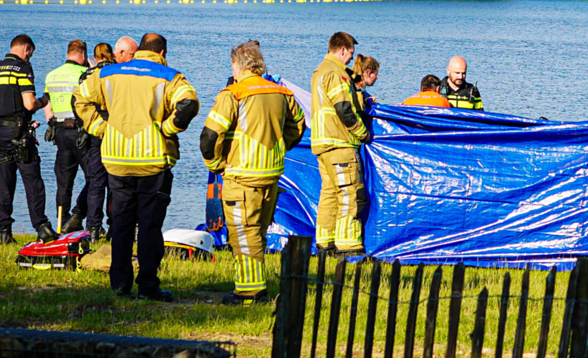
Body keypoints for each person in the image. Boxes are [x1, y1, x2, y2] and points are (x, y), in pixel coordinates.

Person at [75, 33, 200, 301]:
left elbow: (80, 98)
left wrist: (101, 129)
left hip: (117, 160)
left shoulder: (109, 74)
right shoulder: (169, 75)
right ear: (162, 52)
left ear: (139, 50)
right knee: (149, 227)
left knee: (120, 224)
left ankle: (120, 286)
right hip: (152, 162)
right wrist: (168, 128)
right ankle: (147, 286)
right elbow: (188, 103)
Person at [201, 41, 306, 305]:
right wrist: (280, 148)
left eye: (232, 65)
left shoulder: (233, 94)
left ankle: (251, 291)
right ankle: (252, 285)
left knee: (242, 233)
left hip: (241, 176)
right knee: (257, 231)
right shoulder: (282, 92)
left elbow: (209, 136)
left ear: (237, 65)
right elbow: (299, 127)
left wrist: (215, 163)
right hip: (271, 175)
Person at [310, 32, 369, 255]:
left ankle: (325, 243)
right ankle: (349, 247)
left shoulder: (320, 71)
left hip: (322, 144)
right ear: (342, 49)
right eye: (350, 54)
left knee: (329, 194)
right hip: (340, 143)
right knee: (349, 194)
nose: (350, 59)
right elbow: (344, 108)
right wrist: (362, 133)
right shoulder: (336, 73)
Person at [0, 35, 56, 245]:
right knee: (33, 181)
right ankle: (41, 227)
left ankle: (4, 231)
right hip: (19, 135)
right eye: (31, 52)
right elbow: (29, 104)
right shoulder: (23, 68)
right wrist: (44, 100)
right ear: (26, 48)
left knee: (4, 184)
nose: (30, 56)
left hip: (0, 134)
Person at [43, 39, 90, 232]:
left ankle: (62, 223)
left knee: (63, 181)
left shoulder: (52, 75)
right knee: (95, 177)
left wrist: (51, 122)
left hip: (60, 132)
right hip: (80, 132)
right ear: (83, 55)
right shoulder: (83, 74)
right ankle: (79, 214)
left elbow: (47, 103)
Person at [77, 42, 117, 239]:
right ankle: (114, 225)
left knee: (95, 182)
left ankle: (92, 227)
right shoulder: (117, 73)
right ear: (111, 55)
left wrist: (89, 124)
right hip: (114, 130)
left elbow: (77, 102)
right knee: (116, 183)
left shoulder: (87, 75)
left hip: (94, 131)